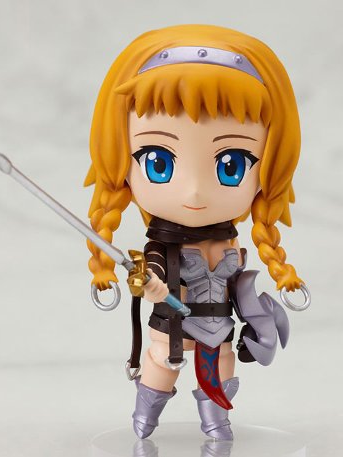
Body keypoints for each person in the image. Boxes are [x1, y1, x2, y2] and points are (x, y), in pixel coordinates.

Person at [84, 24, 308, 440]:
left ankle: (217, 422)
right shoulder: (161, 247)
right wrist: (149, 284)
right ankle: (145, 419)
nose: (194, 191)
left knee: (222, 365)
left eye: (232, 165)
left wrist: (257, 311)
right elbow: (148, 272)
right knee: (161, 363)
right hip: (170, 325)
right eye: (158, 162)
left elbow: (237, 283)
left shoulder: (228, 242)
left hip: (219, 325)